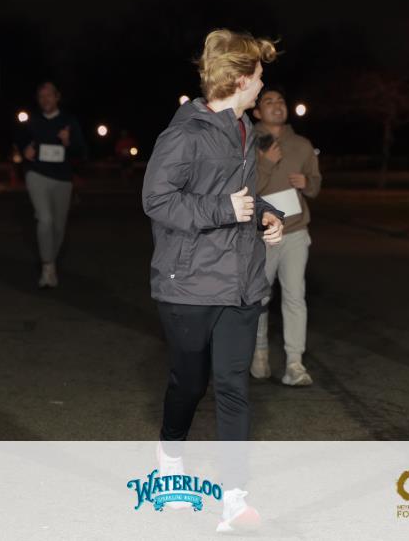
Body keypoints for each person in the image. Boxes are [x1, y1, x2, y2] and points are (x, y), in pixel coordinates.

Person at [142, 29, 283, 533]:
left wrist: (265, 214)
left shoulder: (242, 129)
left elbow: (239, 193)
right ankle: (169, 455)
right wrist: (223, 209)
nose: (263, 85)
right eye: (258, 77)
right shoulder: (186, 133)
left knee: (232, 385)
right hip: (189, 283)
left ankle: (235, 500)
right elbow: (156, 200)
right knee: (190, 383)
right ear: (240, 80)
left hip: (240, 281)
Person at [250, 88, 322, 386]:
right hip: (261, 234)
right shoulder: (247, 141)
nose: (277, 105)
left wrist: (307, 182)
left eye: (280, 101)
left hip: (295, 231)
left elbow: (315, 185)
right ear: (257, 112)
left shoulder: (302, 145)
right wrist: (266, 162)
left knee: (295, 297)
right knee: (259, 297)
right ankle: (259, 353)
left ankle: (295, 363)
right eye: (269, 102)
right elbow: (244, 189)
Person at [15, 81, 87, 288]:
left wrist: (68, 141)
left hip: (62, 179)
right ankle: (47, 266)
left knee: (58, 226)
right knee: (44, 219)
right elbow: (20, 143)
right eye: (41, 96)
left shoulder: (68, 121)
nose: (45, 99)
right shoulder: (33, 121)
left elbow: (81, 152)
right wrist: (25, 150)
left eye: (49, 95)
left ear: (57, 97)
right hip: (37, 174)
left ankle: (50, 262)